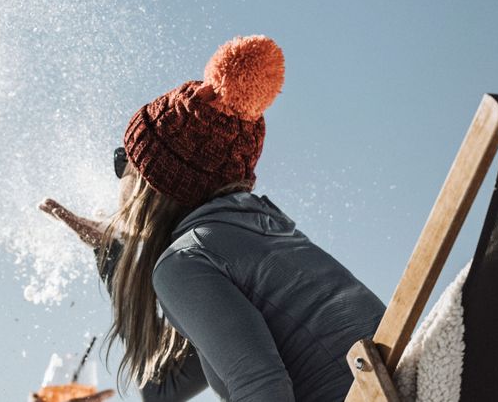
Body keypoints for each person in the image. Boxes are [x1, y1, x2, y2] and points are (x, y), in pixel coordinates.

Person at [40, 35, 386, 401]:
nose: (118, 178)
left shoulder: (186, 261)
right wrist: (112, 256)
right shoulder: (258, 234)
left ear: (150, 180)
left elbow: (262, 387)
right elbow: (162, 390)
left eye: (122, 161)